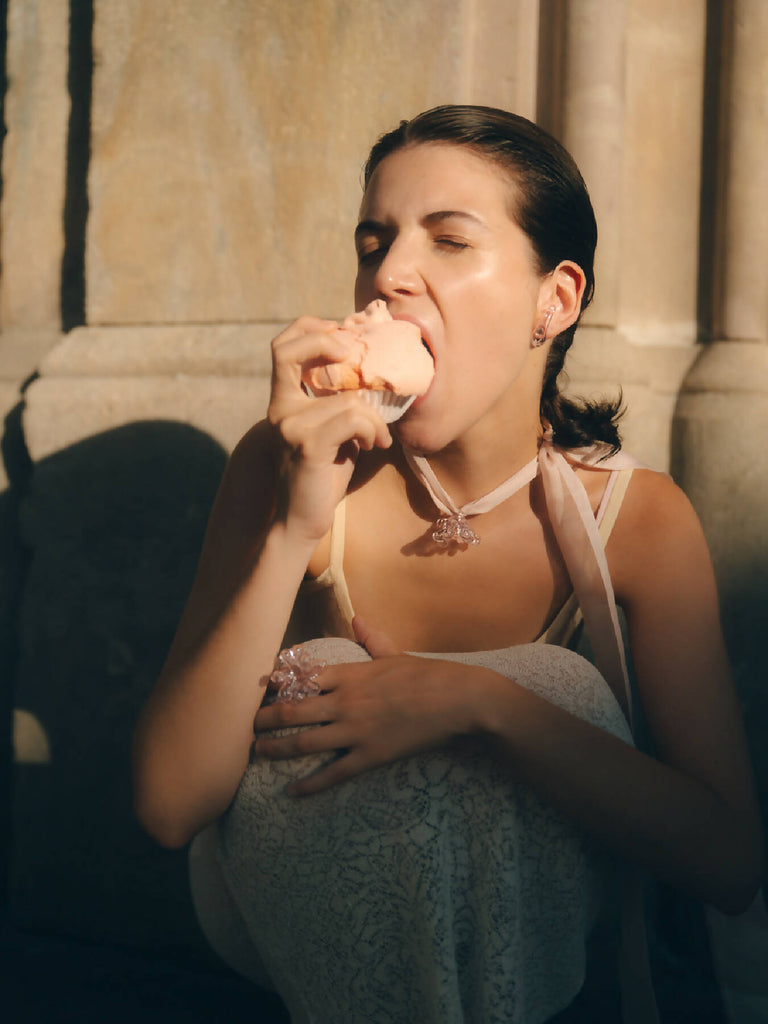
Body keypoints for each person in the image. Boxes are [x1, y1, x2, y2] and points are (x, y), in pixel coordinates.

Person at [132, 106, 762, 1023]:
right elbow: (167, 806)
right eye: (373, 241)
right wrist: (291, 525)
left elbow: (729, 861)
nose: (387, 276)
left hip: (530, 986)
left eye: (450, 241)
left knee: (556, 684)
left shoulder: (638, 520)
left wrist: (480, 706)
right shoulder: (279, 472)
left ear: (556, 300)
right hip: (314, 973)